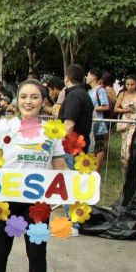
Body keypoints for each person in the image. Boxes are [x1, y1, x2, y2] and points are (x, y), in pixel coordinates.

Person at [0, 79, 66, 272]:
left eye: (34, 97)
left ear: (44, 102)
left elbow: (59, 166)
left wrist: (64, 194)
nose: (28, 102)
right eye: (23, 97)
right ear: (17, 100)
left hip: (37, 204)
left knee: (37, 251)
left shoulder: (52, 132)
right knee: (2, 248)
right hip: (3, 200)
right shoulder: (3, 127)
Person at [59, 64, 93, 236]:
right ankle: (74, 222)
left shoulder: (74, 96)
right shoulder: (84, 95)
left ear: (67, 78)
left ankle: (72, 224)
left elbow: (68, 125)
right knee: (74, 186)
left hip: (71, 148)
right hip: (80, 147)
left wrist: (55, 141)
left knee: (69, 186)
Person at [113, 75, 136, 167]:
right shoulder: (122, 94)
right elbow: (116, 109)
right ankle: (125, 172)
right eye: (127, 84)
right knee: (124, 149)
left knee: (129, 145)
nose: (129, 86)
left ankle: (132, 168)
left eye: (132, 84)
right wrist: (127, 111)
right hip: (124, 123)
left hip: (135, 123)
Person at [86, 68, 111, 171]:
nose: (86, 77)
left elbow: (106, 106)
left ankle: (97, 170)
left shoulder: (100, 90)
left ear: (93, 77)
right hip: (90, 123)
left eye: (88, 75)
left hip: (98, 124)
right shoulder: (89, 90)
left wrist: (91, 108)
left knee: (99, 146)